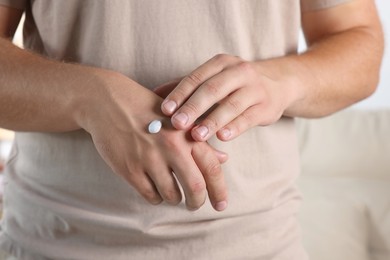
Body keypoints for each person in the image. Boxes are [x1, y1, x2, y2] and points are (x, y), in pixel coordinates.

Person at [0, 0, 383, 259]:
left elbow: (359, 40)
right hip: (54, 243)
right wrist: (90, 98)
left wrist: (279, 82)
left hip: (259, 247)